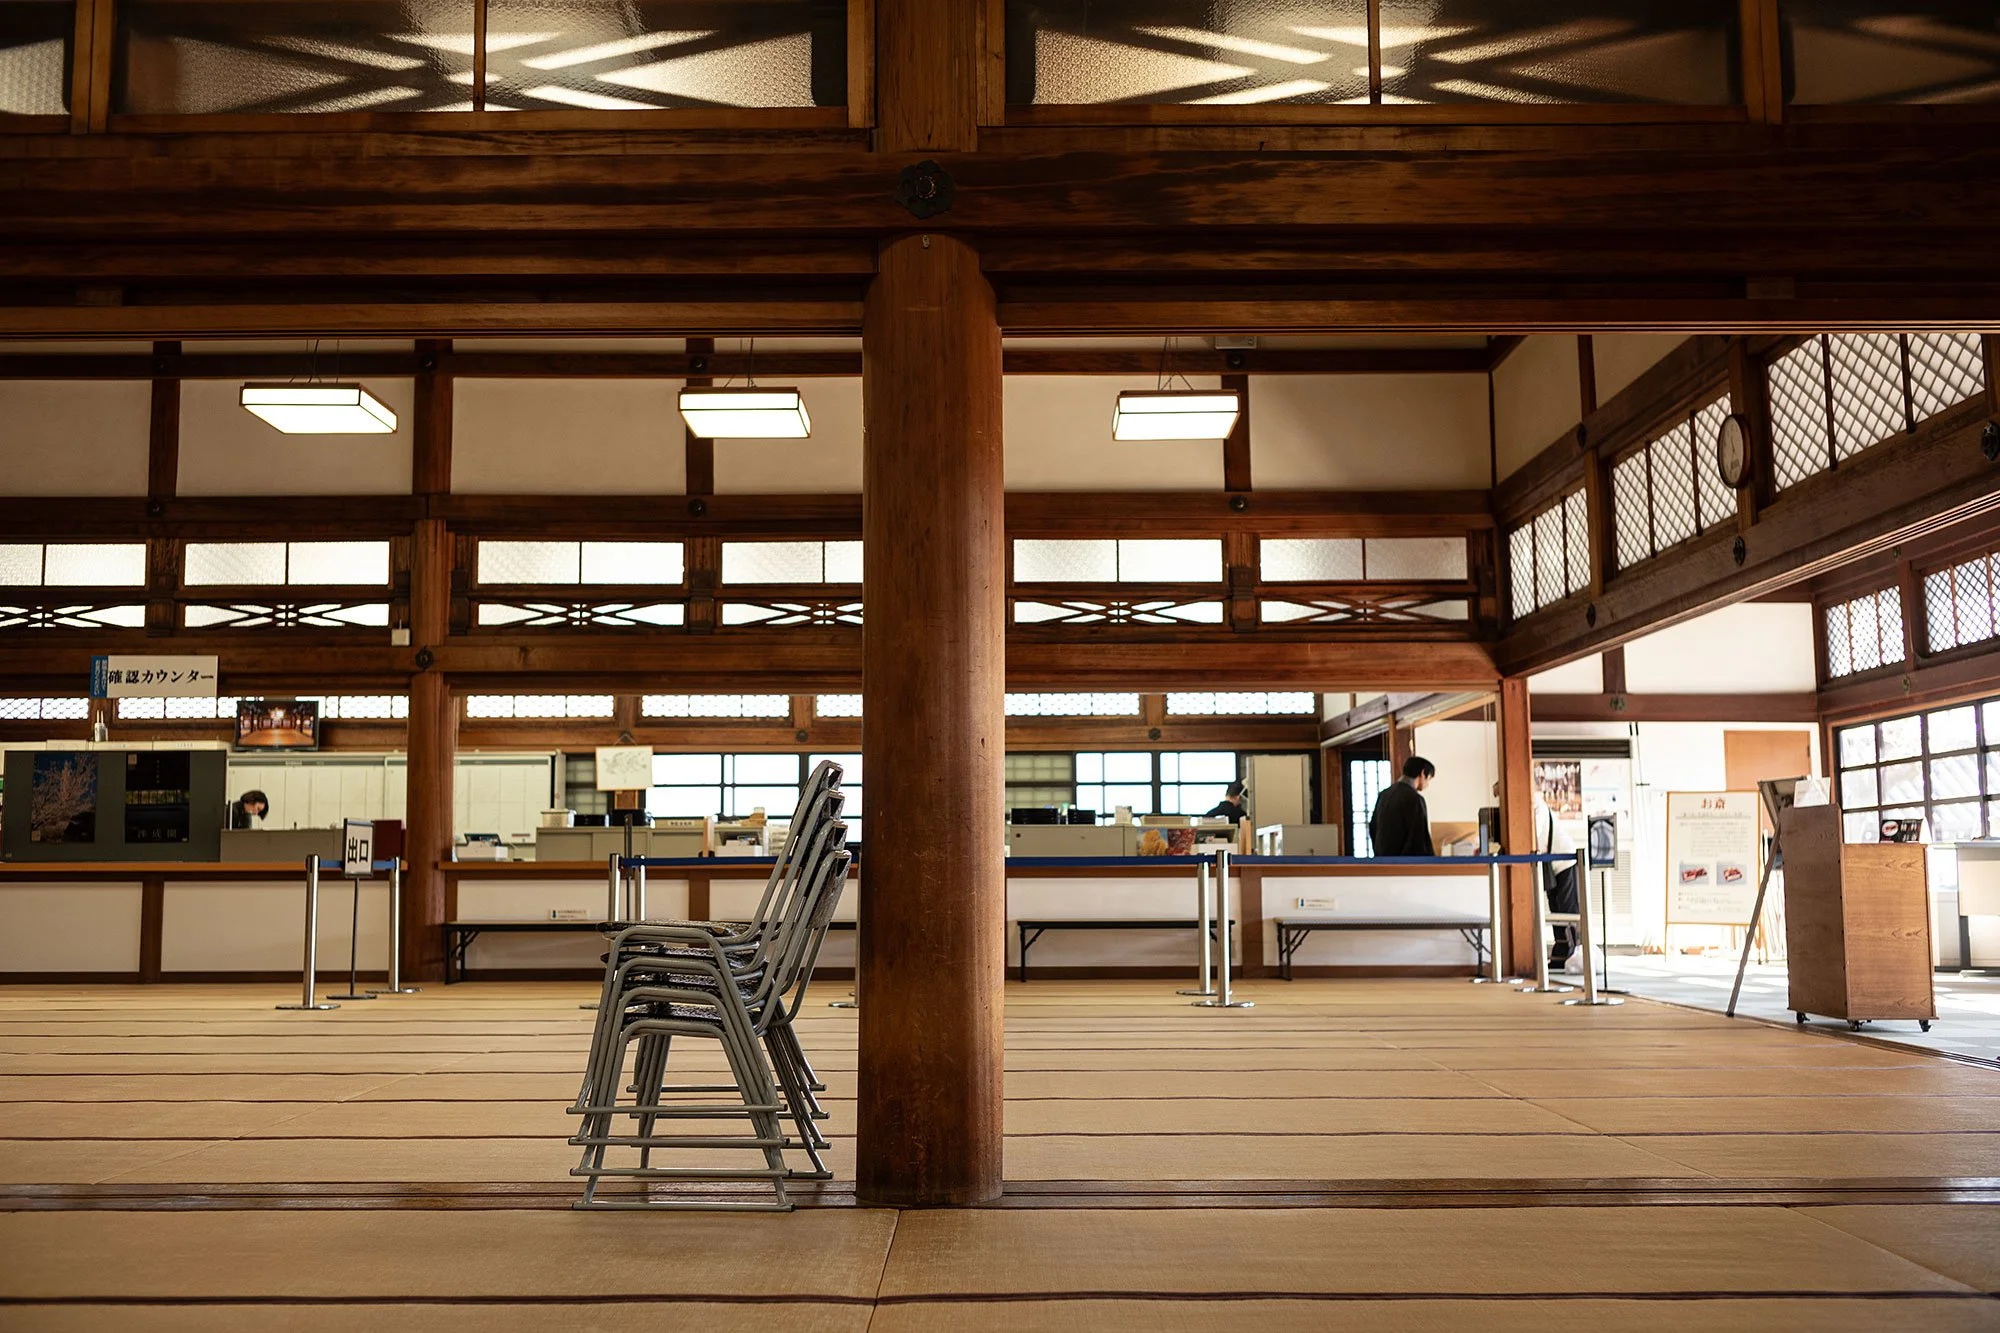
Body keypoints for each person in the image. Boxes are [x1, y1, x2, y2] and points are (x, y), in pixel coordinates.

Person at [1535, 791, 1583, 974]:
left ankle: (1574, 955)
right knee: (1556, 909)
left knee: (1568, 909)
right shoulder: (1534, 803)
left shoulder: (1534, 803)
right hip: (1552, 862)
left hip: (1564, 861)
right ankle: (1561, 954)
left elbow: (1536, 832)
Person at [1368, 756, 1435, 856]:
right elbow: (1419, 838)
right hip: (1405, 864)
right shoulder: (1415, 799)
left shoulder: (1384, 795)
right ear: (1422, 773)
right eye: (1429, 779)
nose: (1427, 784)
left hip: (1383, 861)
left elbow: (1373, 827)